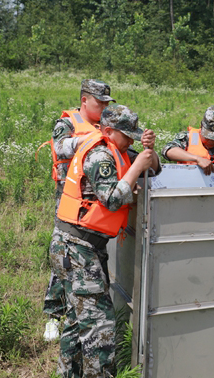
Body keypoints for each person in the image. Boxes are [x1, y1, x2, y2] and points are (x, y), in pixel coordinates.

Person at [51, 104, 161, 377]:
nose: (132, 140)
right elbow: (112, 200)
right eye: (128, 135)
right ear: (109, 131)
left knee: (79, 323)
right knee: (100, 329)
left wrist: (149, 152)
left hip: (78, 246)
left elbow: (155, 168)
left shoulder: (117, 149)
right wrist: (135, 169)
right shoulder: (100, 154)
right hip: (77, 249)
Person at [41, 79, 117, 340]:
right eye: (100, 103)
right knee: (64, 259)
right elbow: (60, 146)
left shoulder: (104, 125)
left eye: (108, 103)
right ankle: (54, 314)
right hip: (69, 200)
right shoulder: (68, 124)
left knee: (94, 256)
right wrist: (95, 140)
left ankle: (87, 308)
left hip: (97, 203)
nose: (104, 107)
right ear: (85, 101)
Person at [162, 106, 214, 175]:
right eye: (207, 137)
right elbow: (168, 151)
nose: (211, 141)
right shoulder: (188, 138)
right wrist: (197, 159)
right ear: (201, 126)